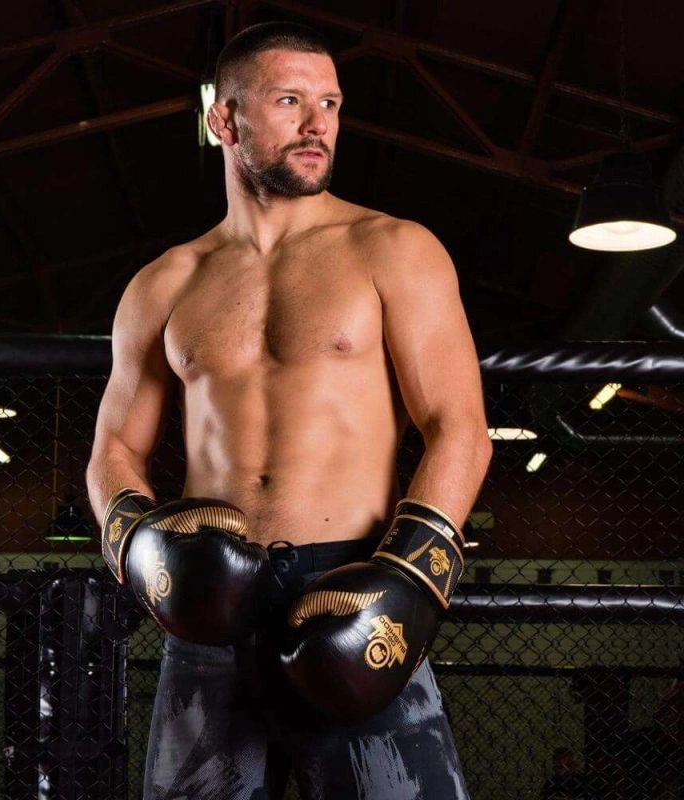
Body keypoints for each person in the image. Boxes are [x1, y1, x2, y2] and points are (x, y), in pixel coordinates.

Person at [86, 20, 492, 800]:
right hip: (209, 604)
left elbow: (459, 429)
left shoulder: (392, 249)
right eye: (289, 101)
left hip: (355, 590)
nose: (317, 124)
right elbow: (113, 452)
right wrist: (140, 549)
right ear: (224, 119)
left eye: (330, 103)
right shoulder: (166, 282)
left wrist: (409, 579)